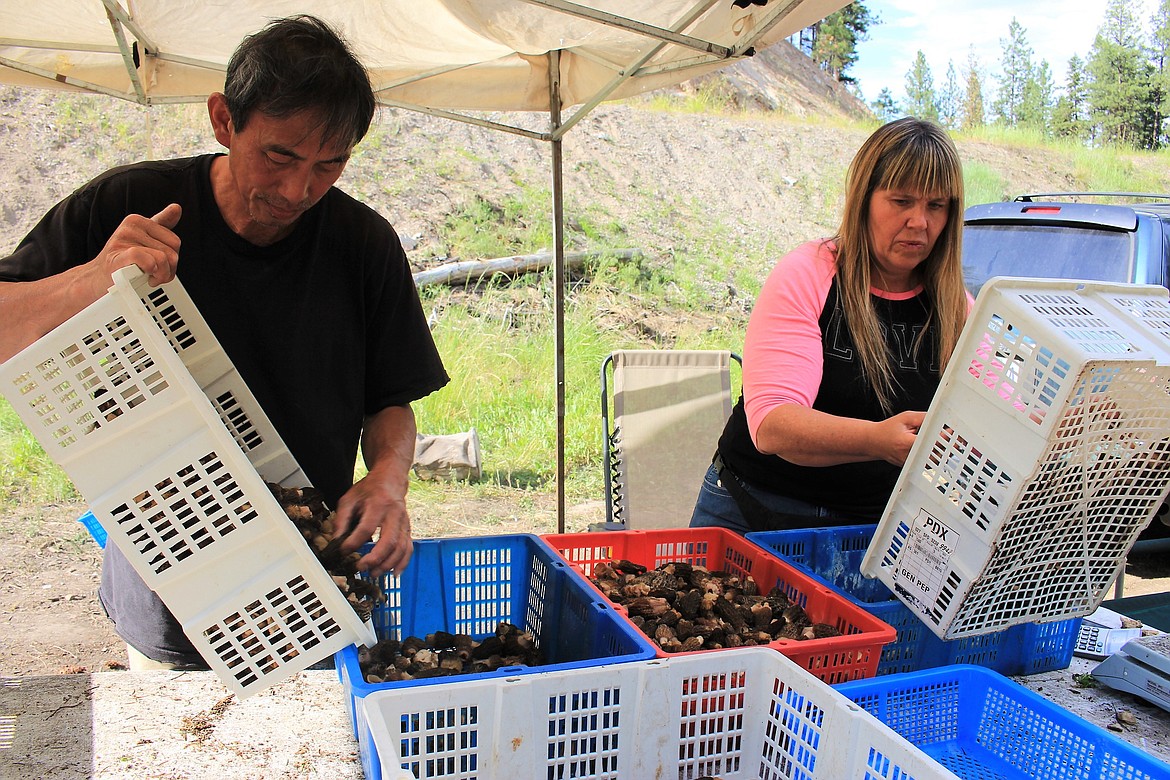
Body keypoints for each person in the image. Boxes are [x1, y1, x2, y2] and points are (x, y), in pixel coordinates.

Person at [0, 15, 449, 669]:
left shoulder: (363, 245)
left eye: (330, 164)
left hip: (306, 582)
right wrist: (89, 281)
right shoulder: (125, 206)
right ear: (223, 120)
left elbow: (390, 399)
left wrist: (389, 478)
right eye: (280, 156)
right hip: (167, 579)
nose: (300, 190)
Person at [690, 117, 970, 535]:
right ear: (864, 200)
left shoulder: (956, 306)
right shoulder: (809, 274)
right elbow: (773, 425)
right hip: (755, 512)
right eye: (901, 201)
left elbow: (999, 411)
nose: (919, 222)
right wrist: (878, 439)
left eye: (936, 205)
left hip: (872, 530)